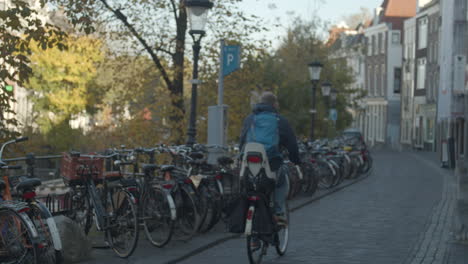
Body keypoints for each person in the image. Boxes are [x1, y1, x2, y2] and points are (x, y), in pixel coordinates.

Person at [239, 91, 300, 224]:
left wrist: (240, 157)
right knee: (281, 181)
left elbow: (242, 139)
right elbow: (291, 143)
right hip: (271, 162)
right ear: (274, 104)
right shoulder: (279, 120)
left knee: (249, 186)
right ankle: (278, 212)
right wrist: (296, 160)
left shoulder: (250, 119)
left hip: (249, 162)